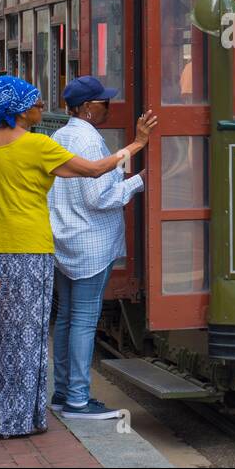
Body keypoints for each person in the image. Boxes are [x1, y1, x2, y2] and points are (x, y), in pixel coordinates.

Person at [0, 75, 155, 437]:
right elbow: (97, 177)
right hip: (31, 251)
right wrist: (138, 146)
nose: (41, 108)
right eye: (35, 104)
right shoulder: (38, 145)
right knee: (31, 335)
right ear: (19, 111)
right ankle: (49, 407)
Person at [48, 77, 144, 420]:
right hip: (90, 243)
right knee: (84, 321)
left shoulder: (61, 135)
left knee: (67, 319)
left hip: (65, 241)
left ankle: (62, 393)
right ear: (87, 108)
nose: (109, 106)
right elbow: (99, 197)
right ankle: (76, 399)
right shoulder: (89, 140)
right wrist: (139, 180)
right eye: (103, 101)